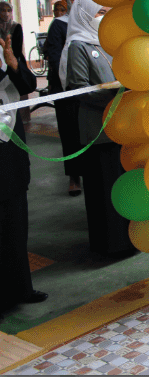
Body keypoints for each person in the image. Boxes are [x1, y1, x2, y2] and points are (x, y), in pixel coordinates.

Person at [62, 0, 134, 256]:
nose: (104, 17)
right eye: (99, 12)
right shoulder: (78, 46)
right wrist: (115, 97)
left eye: (107, 12)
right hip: (98, 130)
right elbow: (78, 88)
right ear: (84, 15)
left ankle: (127, 240)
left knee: (122, 186)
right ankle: (109, 245)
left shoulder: (110, 42)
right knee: (103, 188)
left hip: (120, 127)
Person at [0, 30, 48, 321]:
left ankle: (21, 288)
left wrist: (13, 63)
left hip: (11, 150)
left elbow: (28, 85)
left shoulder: (6, 53)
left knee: (16, 223)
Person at [50, 0, 86, 197]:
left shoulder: (91, 20)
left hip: (88, 88)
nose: (78, 2)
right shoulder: (59, 25)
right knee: (70, 134)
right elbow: (55, 58)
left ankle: (89, 172)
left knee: (87, 132)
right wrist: (70, 81)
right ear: (67, 1)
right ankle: (74, 177)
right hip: (66, 89)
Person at [44, 0, 68, 94]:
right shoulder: (55, 24)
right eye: (56, 10)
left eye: (62, 10)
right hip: (56, 68)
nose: (59, 13)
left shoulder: (69, 24)